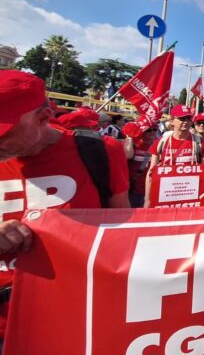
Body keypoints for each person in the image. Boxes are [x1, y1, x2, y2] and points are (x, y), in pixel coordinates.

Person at [0, 71, 130, 343]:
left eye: (3, 132)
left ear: (43, 118)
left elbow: (124, 234)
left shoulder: (100, 152)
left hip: (72, 314)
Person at [144, 105, 204, 207]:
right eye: (181, 118)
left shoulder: (201, 143)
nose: (186, 121)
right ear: (172, 120)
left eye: (189, 118)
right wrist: (148, 200)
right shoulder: (161, 142)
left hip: (191, 197)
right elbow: (151, 173)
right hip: (164, 196)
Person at [124, 123, 159, 207]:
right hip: (133, 191)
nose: (152, 132)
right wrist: (129, 137)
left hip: (150, 191)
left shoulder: (160, 144)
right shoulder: (133, 144)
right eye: (149, 130)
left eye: (155, 129)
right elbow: (127, 155)